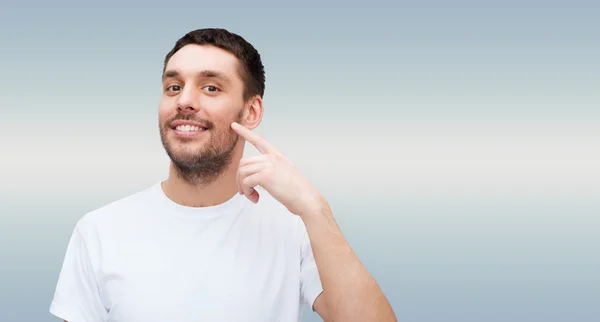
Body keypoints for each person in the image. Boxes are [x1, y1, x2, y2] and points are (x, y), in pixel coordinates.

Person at [49, 28, 397, 322]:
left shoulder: (295, 228)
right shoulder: (99, 231)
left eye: (210, 87)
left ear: (251, 111)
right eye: (173, 87)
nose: (185, 100)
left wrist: (314, 208)